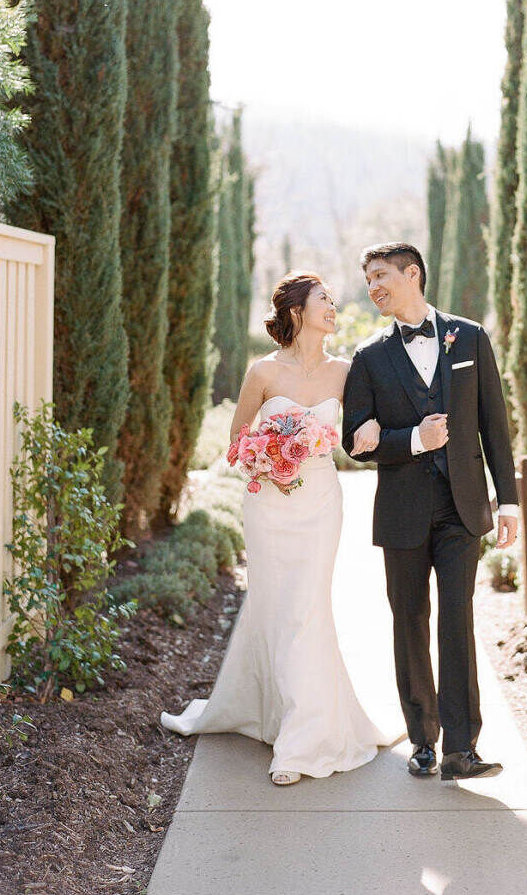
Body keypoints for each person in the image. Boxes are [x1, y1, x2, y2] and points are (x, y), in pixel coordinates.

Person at [160, 271, 388, 785]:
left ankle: (302, 743)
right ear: (296, 312)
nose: (333, 306)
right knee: (276, 608)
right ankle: (276, 711)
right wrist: (269, 457)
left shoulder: (346, 372)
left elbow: (354, 438)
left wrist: (372, 432)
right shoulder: (262, 372)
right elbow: (238, 443)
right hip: (268, 507)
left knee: (306, 610)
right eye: (324, 300)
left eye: (331, 299)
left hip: (320, 504)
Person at [342, 242, 520, 781]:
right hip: (401, 511)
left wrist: (507, 499)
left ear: (412, 273)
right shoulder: (369, 357)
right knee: (410, 620)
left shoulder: (469, 337)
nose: (372, 286)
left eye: (380, 275)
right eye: (367, 278)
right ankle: (422, 740)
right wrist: (411, 440)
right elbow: (356, 440)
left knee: (457, 620)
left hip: (461, 508)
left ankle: (461, 749)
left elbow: (495, 425)